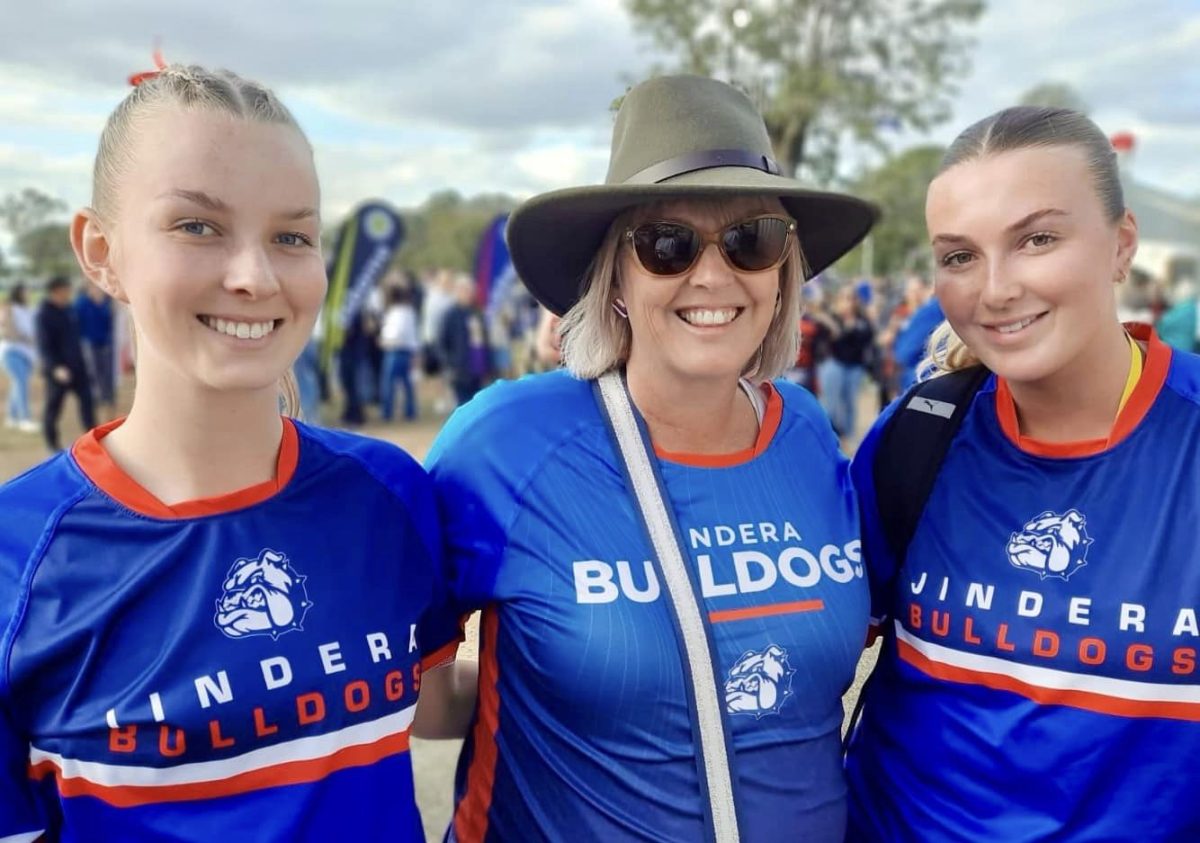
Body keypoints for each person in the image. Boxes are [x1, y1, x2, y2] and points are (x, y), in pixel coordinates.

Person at [0, 64, 468, 843]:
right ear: (100, 250)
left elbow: (415, 695)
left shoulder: (387, 493)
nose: (253, 277)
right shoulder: (16, 557)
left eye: (292, 236)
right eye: (197, 226)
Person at [426, 75, 877, 842]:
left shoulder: (805, 433)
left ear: (782, 270)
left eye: (752, 239)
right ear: (618, 278)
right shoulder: (506, 443)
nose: (712, 275)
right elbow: (404, 684)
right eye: (666, 245)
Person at [844, 106, 1200, 840]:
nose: (996, 288)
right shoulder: (917, 437)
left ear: (1121, 243)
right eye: (959, 255)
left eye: (1037, 239)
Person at [36, 275, 96, 452]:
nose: (69, 293)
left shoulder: (69, 309)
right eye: (66, 290)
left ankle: (93, 440)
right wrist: (55, 368)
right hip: (58, 370)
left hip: (78, 367)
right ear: (56, 291)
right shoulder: (44, 314)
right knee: (54, 407)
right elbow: (44, 345)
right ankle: (52, 443)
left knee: (87, 402)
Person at [815, 285, 875, 438]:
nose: (848, 302)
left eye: (852, 298)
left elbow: (867, 338)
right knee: (831, 402)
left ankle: (849, 434)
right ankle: (830, 434)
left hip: (855, 366)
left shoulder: (862, 320)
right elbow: (825, 339)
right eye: (845, 298)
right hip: (835, 364)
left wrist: (851, 328)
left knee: (849, 402)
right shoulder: (832, 319)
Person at [437, 275, 490, 407]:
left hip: (478, 367)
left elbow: (485, 340)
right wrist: (450, 363)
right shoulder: (451, 314)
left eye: (470, 291)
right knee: (463, 405)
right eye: (464, 290)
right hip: (459, 369)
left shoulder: (477, 313)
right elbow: (441, 342)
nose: (468, 294)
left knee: (477, 404)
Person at [0, 283, 39, 432]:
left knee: (17, 384)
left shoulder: (29, 310)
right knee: (21, 382)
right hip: (12, 351)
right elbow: (8, 330)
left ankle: (12, 416)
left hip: (28, 354)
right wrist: (26, 338)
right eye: (25, 291)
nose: (28, 294)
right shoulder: (9, 308)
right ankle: (24, 419)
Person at [379, 284, 420, 421]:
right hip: (407, 351)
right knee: (407, 384)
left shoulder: (395, 313)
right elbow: (413, 334)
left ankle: (387, 412)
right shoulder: (410, 312)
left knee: (389, 383)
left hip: (394, 350)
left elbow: (394, 333)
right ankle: (410, 411)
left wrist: (384, 341)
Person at [75, 280, 117, 416]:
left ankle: (109, 398)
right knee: (93, 371)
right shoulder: (81, 303)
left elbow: (111, 321)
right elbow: (76, 322)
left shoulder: (107, 301)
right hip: (88, 342)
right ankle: (96, 398)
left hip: (106, 342)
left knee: (107, 371)